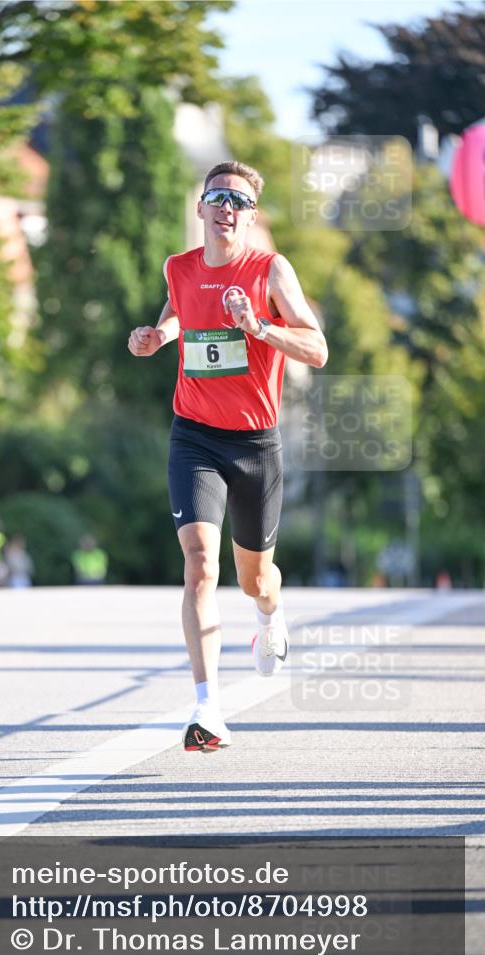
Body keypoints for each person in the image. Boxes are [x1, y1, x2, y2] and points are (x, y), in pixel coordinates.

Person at [128, 160, 328, 753]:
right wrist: (156, 337)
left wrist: (258, 327)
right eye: (217, 197)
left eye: (239, 202)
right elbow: (177, 311)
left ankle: (270, 616)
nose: (227, 209)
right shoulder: (179, 267)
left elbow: (316, 348)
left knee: (255, 580)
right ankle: (207, 708)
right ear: (200, 208)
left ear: (251, 216)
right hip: (194, 437)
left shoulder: (270, 270)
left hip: (255, 444)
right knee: (198, 565)